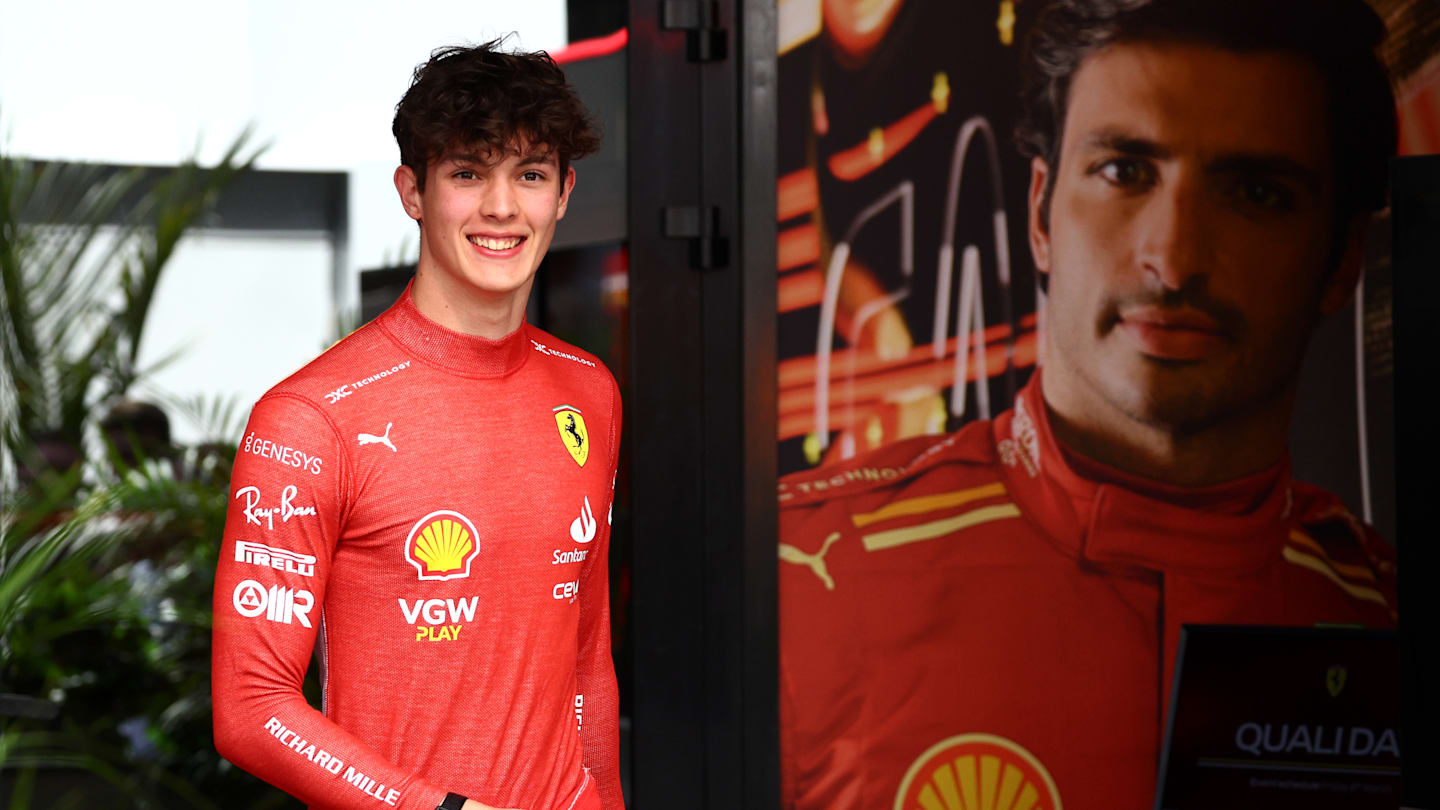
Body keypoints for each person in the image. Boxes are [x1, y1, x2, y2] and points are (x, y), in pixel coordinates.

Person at [777, 1, 1399, 808]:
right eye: (1124, 171)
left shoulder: (1388, 616)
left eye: (1255, 192)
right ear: (1040, 212)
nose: (1173, 260)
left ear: (1342, 258)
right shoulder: (795, 584)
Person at [212, 40, 623, 810]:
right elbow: (252, 708)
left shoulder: (589, 389)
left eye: (529, 175)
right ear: (413, 191)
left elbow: (586, 660)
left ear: (563, 193)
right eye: (468, 173)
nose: (502, 208)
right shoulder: (310, 419)